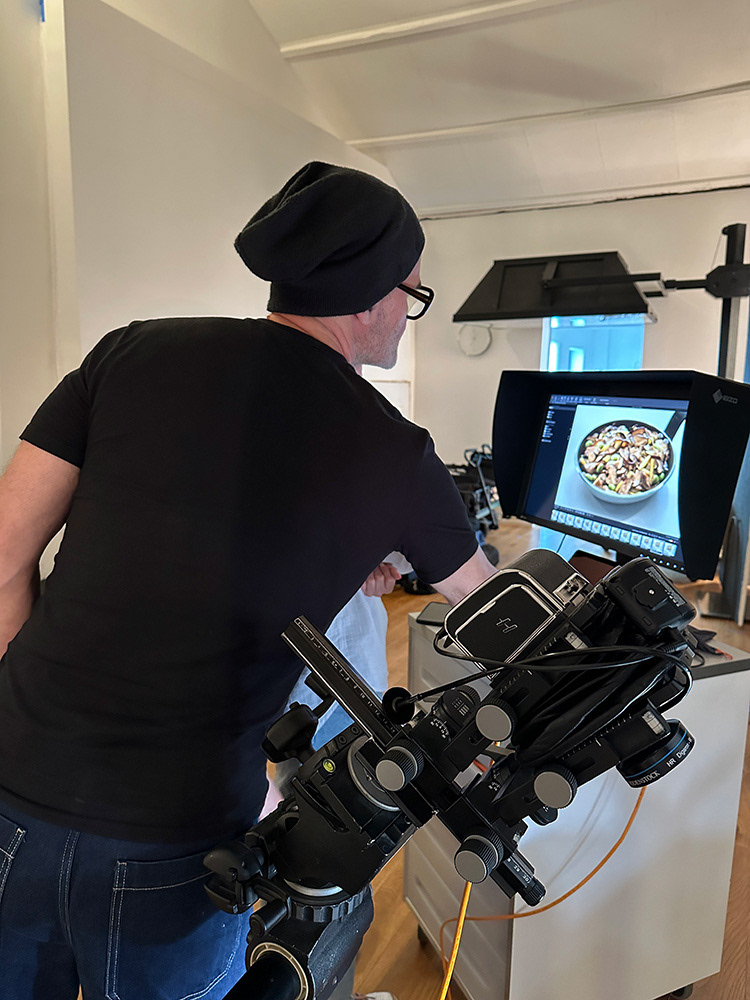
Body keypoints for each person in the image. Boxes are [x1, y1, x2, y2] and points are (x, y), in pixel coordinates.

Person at [0, 161, 496, 1000]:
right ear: (370, 295)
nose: (407, 317)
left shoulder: (130, 351)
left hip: (11, 786)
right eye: (412, 295)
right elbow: (497, 615)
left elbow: (7, 554)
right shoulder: (394, 449)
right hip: (178, 836)